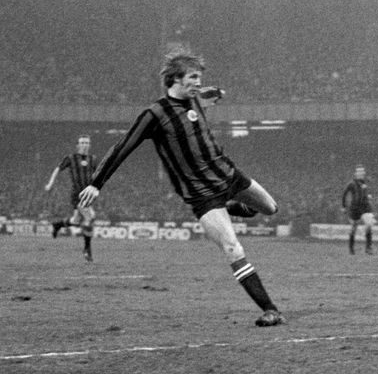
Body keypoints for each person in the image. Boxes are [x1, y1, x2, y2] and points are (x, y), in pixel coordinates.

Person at [78, 51, 285, 327]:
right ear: (175, 78)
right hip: (203, 195)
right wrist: (96, 182)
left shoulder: (196, 100)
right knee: (232, 247)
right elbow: (123, 146)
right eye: (193, 77)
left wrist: (216, 92)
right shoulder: (155, 114)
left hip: (229, 175)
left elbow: (207, 96)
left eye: (200, 77)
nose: (198, 82)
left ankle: (232, 207)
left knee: (271, 208)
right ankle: (271, 310)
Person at [44, 134, 97, 262]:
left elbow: (98, 173)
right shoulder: (71, 158)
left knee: (76, 221)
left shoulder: (93, 159)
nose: (84, 145)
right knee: (90, 217)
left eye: (86, 143)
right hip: (77, 194)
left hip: (88, 195)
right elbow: (58, 169)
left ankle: (57, 225)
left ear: (89, 145)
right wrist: (50, 183)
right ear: (78, 145)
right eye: (82, 143)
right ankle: (87, 249)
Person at [342, 165, 375, 255]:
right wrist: (344, 206)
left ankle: (368, 248)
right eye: (359, 171)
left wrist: (369, 196)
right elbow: (344, 194)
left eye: (362, 171)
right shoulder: (351, 184)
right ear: (355, 174)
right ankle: (351, 248)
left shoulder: (366, 182)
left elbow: (369, 192)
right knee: (353, 228)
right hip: (355, 209)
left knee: (368, 224)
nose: (361, 173)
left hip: (365, 208)